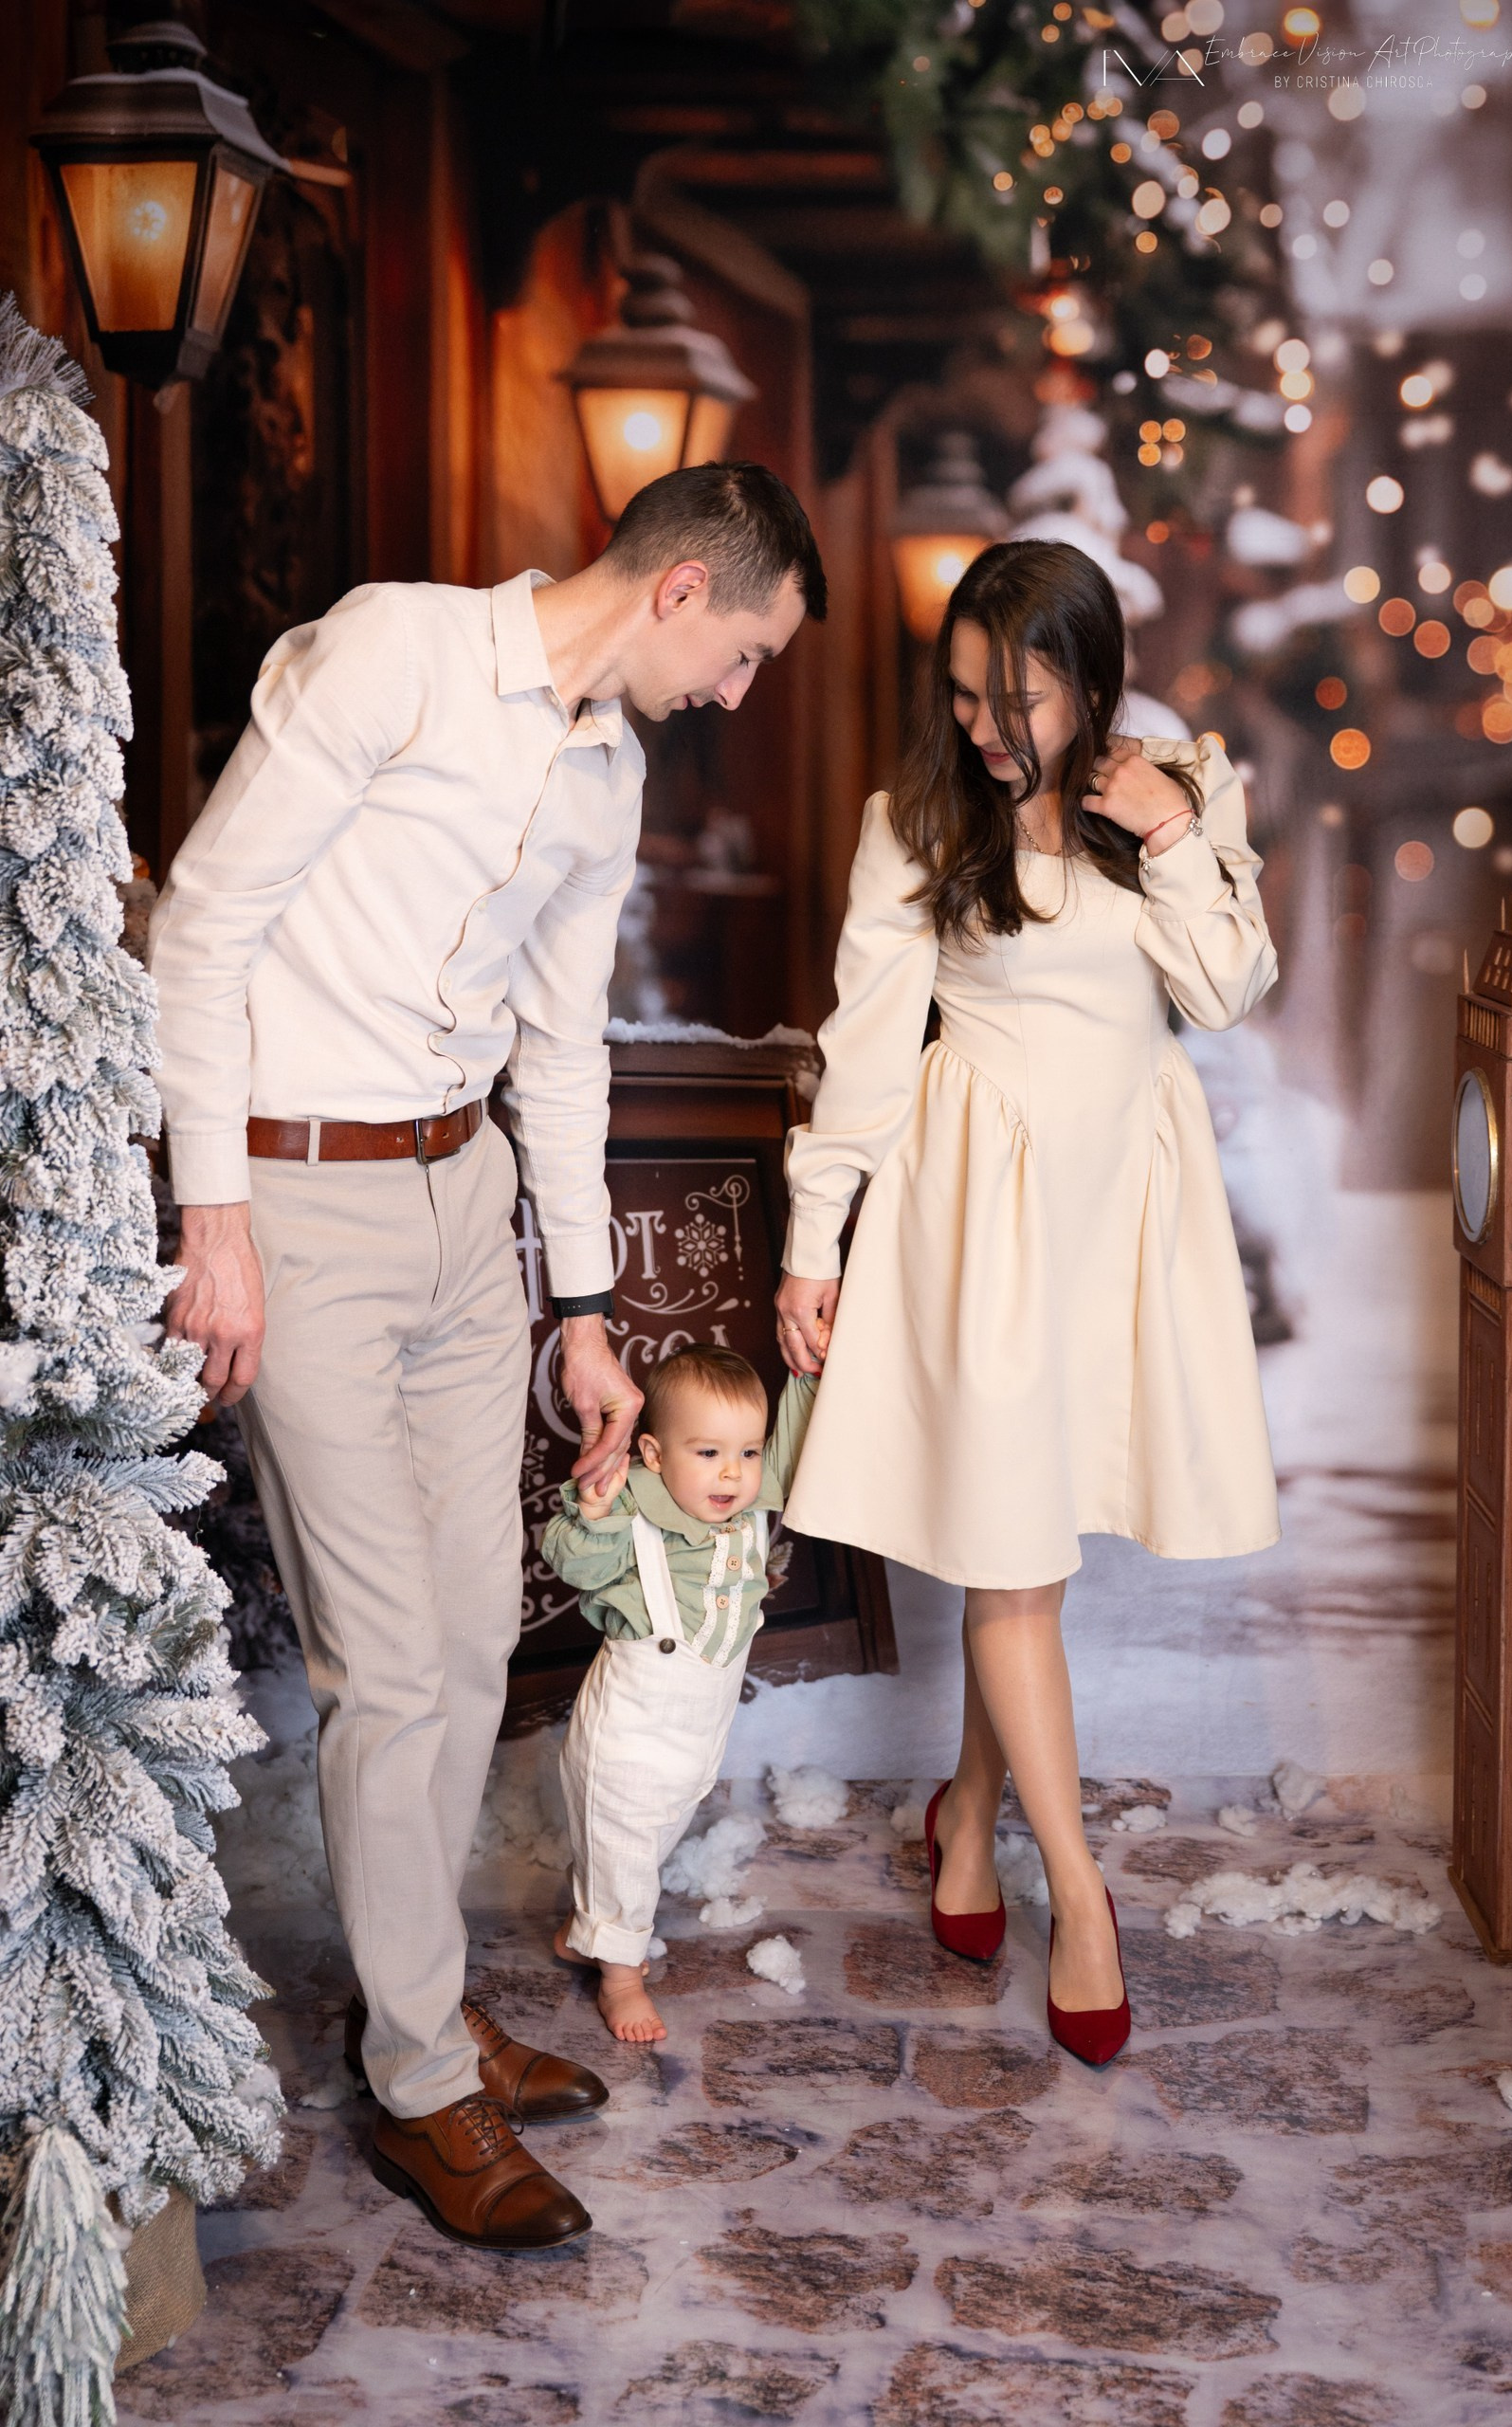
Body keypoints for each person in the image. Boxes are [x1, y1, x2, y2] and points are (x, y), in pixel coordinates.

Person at [151, 464, 827, 2250]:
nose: (733, 694)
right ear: (680, 590)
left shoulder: (609, 771)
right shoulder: (397, 652)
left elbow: (563, 1047)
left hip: (467, 1208)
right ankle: (418, 2086)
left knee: (466, 1647)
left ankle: (423, 2013)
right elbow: (204, 919)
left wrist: (583, 1310)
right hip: (301, 1199)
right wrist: (214, 1219)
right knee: (389, 1669)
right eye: (744, 654)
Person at [774, 539, 1278, 2070]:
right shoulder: (914, 825)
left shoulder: (1177, 795)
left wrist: (1171, 832)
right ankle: (1079, 1895)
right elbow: (866, 1048)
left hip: (1120, 1214)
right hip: (980, 1219)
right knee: (1011, 1566)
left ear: (1092, 683)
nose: (986, 728)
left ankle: (967, 1815)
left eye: (1019, 699)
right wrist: (814, 1240)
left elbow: (1225, 990)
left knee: (1029, 1555)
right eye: (963, 696)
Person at [541, 1346, 816, 2045]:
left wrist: (809, 1376)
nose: (732, 1472)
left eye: (746, 1452)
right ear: (654, 1454)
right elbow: (572, 1561)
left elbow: (794, 1447)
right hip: (628, 1734)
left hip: (695, 1735)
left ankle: (585, 1931)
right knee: (625, 1850)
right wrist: (596, 1511)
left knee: (648, 1842)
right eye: (708, 1452)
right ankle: (619, 1977)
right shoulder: (630, 1506)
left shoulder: (749, 1502)